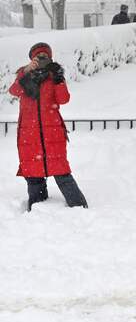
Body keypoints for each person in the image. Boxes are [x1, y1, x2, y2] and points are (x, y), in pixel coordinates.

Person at [9, 43, 88, 211]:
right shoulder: (24, 75)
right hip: (28, 134)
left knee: (61, 172)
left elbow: (63, 99)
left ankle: (79, 208)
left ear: (51, 58)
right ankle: (38, 210)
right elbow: (14, 91)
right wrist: (26, 72)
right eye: (39, 57)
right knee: (33, 174)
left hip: (52, 133)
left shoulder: (54, 75)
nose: (42, 59)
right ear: (32, 59)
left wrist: (59, 79)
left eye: (45, 56)